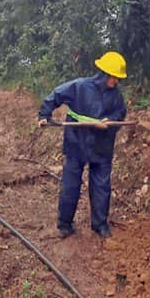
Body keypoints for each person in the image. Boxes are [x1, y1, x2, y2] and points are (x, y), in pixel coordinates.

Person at [36, 51, 128, 239]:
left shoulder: (116, 97)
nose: (116, 82)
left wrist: (110, 121)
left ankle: (100, 225)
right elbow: (56, 95)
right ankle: (65, 224)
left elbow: (120, 114)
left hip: (101, 147)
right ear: (104, 75)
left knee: (101, 186)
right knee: (71, 186)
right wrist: (45, 115)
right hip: (77, 143)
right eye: (114, 78)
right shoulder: (79, 87)